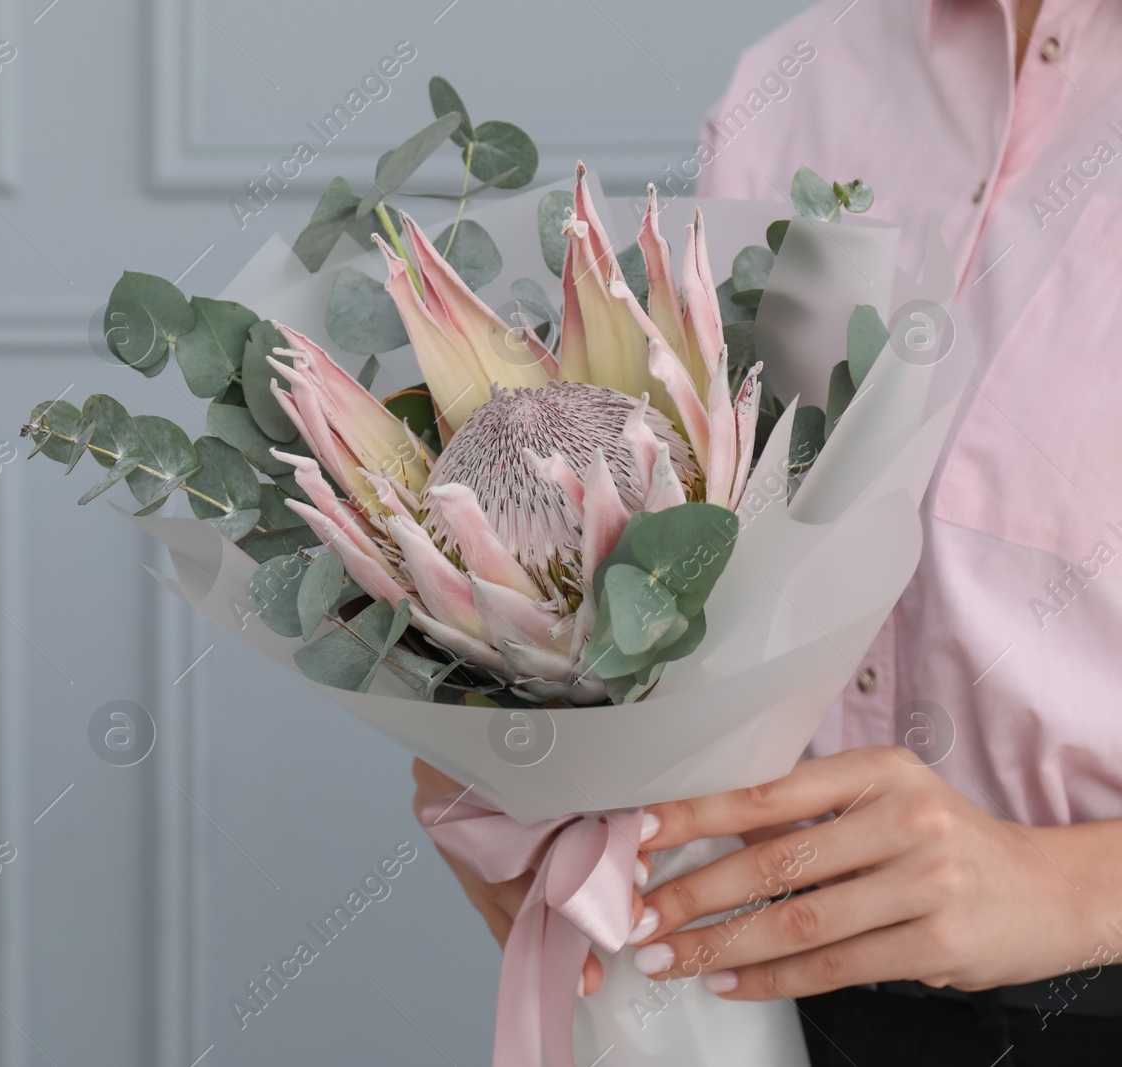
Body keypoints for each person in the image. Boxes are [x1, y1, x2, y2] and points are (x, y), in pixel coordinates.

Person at [413, 0, 1122, 1061]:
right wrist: (509, 756)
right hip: (745, 999)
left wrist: (1085, 890)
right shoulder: (791, 81)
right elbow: (680, 531)